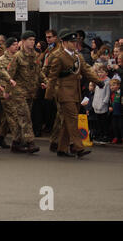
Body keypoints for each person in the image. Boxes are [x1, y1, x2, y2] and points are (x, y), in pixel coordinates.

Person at [45, 29, 104, 158]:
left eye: (75, 41)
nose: (74, 44)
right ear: (64, 43)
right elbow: (52, 77)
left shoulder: (77, 56)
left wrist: (98, 81)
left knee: (67, 122)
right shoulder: (59, 57)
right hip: (64, 93)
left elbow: (86, 70)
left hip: (76, 92)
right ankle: (78, 147)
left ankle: (61, 148)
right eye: (71, 42)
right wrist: (49, 95)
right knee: (72, 120)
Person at [7, 31, 47, 154]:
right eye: (29, 39)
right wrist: (7, 91)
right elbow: (10, 75)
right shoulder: (17, 56)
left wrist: (45, 80)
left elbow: (38, 71)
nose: (32, 42)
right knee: (26, 117)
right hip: (19, 92)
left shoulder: (34, 55)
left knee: (21, 119)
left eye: (33, 40)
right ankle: (30, 142)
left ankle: (16, 143)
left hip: (30, 91)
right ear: (23, 41)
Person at [0, 37, 19, 149]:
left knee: (6, 118)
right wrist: (2, 89)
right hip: (5, 93)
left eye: (17, 44)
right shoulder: (2, 59)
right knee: (13, 117)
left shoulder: (17, 58)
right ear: (8, 47)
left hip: (15, 92)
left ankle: (0, 139)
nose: (16, 46)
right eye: (13, 45)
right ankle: (18, 141)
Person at [91, 63, 110, 143]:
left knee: (104, 122)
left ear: (106, 73)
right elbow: (96, 93)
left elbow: (107, 94)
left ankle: (105, 136)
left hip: (103, 105)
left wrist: (104, 103)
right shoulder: (97, 81)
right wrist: (94, 103)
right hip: (97, 104)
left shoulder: (107, 82)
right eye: (99, 72)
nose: (100, 74)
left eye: (102, 72)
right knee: (98, 122)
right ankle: (100, 135)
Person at [109, 79, 122, 144]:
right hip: (114, 113)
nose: (112, 87)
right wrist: (110, 106)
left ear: (118, 85)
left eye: (113, 85)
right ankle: (116, 137)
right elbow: (111, 102)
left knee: (121, 126)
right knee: (114, 126)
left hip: (120, 113)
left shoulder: (121, 93)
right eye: (111, 85)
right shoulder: (111, 94)